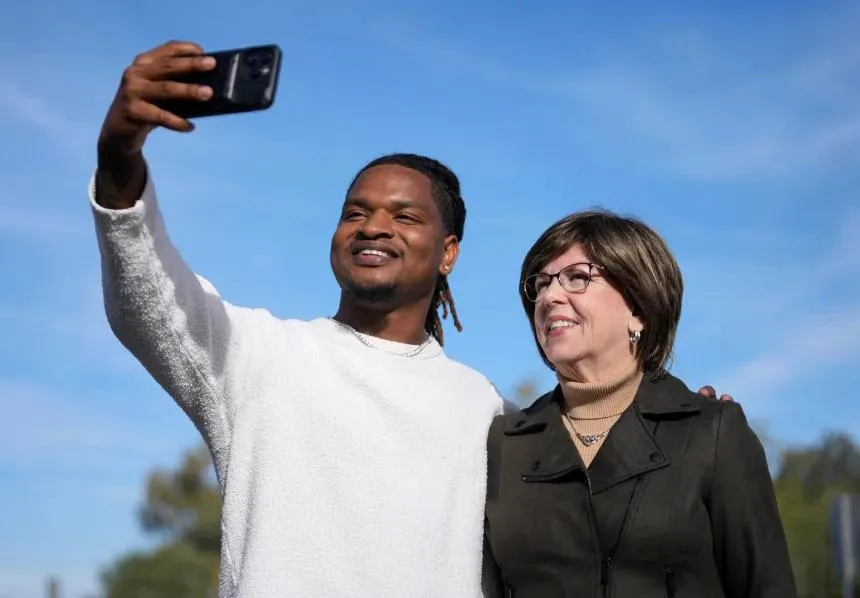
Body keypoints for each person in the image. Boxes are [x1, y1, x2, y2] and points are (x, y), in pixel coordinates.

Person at [90, 40, 732, 597]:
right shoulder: (260, 357)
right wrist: (120, 163)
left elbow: (590, 531)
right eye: (355, 211)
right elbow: (149, 299)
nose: (372, 226)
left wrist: (671, 429)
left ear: (448, 252)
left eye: (405, 216)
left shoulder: (488, 412)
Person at [483, 210, 796, 597]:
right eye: (540, 284)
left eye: (577, 277)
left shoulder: (711, 432)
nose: (549, 297)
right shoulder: (504, 443)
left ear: (639, 308)